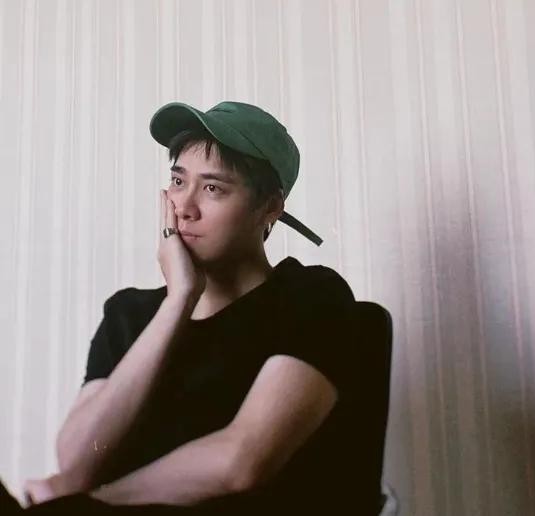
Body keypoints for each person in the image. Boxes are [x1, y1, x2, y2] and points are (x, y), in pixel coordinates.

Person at [5, 101, 388, 515]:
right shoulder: (129, 313)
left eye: (213, 188)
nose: (184, 207)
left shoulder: (310, 297)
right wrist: (179, 300)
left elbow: (241, 461)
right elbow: (78, 463)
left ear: (270, 206)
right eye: (177, 181)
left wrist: (92, 500)